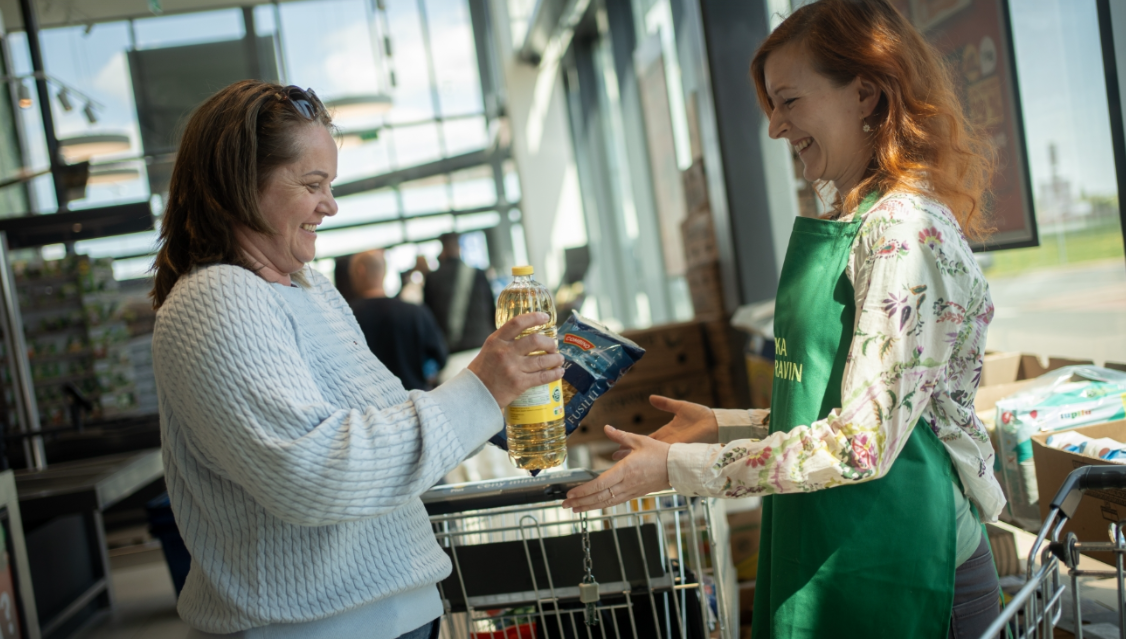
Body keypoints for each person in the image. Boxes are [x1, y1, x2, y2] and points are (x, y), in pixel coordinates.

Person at [562, 1, 1004, 637]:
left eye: (790, 101)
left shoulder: (902, 235)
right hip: (844, 539)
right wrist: (723, 426)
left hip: (910, 560)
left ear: (866, 94)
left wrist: (677, 470)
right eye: (773, 104)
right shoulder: (859, 225)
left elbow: (864, 442)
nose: (774, 127)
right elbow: (848, 402)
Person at [149, 80, 563, 639]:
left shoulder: (308, 288)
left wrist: (509, 394)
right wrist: (480, 391)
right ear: (240, 186)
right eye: (312, 184)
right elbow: (314, 473)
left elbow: (380, 431)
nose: (330, 205)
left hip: (392, 611)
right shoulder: (216, 298)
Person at [349, 249, 447, 391]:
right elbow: (439, 357)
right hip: (415, 402)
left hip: (371, 408)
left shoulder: (345, 318)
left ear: (360, 271)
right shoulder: (415, 312)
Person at [423, 232, 496, 353]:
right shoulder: (478, 273)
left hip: (452, 347)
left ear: (443, 249)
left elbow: (429, 317)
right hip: (483, 343)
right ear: (459, 247)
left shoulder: (433, 278)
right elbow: (491, 309)